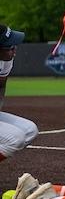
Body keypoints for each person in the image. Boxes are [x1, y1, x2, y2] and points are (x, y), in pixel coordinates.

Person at [0, 23, 38, 163]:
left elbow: (1, 86)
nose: (14, 51)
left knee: (30, 130)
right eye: (10, 47)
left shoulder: (5, 61)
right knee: (15, 138)